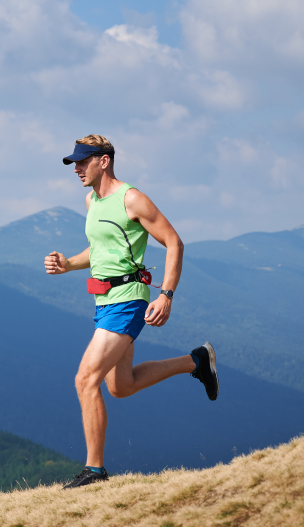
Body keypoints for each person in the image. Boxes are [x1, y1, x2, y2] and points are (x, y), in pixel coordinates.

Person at [45, 134, 219, 489]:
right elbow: (99, 251)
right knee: (121, 386)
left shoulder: (132, 199)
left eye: (82, 161)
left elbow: (174, 242)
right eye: (74, 163)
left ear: (103, 161)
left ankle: (94, 470)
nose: (76, 168)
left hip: (128, 300)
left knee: (85, 379)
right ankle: (197, 361)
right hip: (104, 300)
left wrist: (166, 294)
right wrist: (68, 264)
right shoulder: (92, 200)